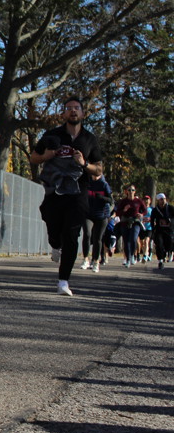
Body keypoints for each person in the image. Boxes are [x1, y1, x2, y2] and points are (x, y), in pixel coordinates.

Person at [30, 97, 103, 296]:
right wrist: (45, 156)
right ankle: (55, 244)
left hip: (78, 193)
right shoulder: (52, 135)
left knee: (72, 235)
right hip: (54, 191)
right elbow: (34, 157)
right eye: (69, 108)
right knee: (53, 226)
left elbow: (98, 169)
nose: (73, 111)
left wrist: (84, 164)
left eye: (76, 108)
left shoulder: (89, 139)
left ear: (82, 113)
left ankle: (63, 281)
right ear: (63, 114)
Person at [84, 173, 113, 272]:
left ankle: (96, 261)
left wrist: (102, 197)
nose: (95, 176)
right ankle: (86, 259)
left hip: (101, 215)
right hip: (88, 214)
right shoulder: (87, 183)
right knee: (87, 234)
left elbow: (111, 200)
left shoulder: (104, 184)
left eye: (97, 174)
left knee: (97, 239)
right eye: (93, 174)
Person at [113, 185, 147, 267]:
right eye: (129, 190)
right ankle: (128, 259)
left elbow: (145, 210)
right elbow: (117, 212)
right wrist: (124, 210)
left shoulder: (138, 201)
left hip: (135, 222)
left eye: (132, 190)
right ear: (126, 191)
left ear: (135, 191)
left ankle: (132, 255)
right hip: (125, 222)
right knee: (126, 241)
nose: (131, 191)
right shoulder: (123, 201)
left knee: (133, 239)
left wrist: (141, 214)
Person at [150, 193, 172, 270]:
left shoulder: (170, 208)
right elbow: (152, 219)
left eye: (164, 199)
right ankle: (160, 261)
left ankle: (166, 252)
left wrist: (170, 221)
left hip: (169, 230)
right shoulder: (155, 210)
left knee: (169, 244)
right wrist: (153, 227)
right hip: (159, 230)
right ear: (158, 200)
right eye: (161, 199)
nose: (163, 201)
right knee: (159, 244)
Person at [139, 194, 153, 262]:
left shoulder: (152, 209)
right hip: (142, 228)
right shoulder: (141, 209)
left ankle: (145, 255)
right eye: (145, 200)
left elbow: (155, 218)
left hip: (149, 228)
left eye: (147, 199)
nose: (146, 201)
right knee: (142, 243)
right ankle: (146, 253)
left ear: (150, 201)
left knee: (146, 241)